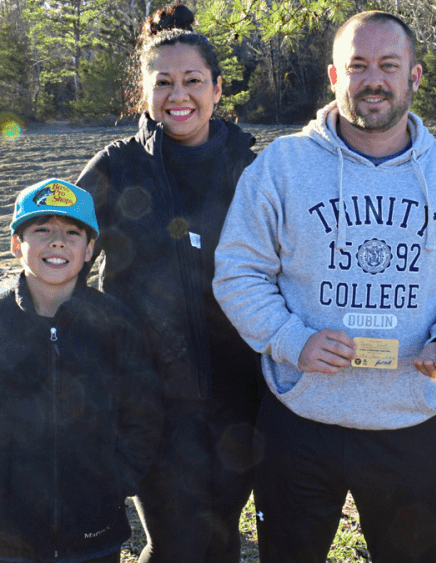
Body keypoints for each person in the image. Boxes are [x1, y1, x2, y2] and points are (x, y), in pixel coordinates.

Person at [212, 9, 436, 563]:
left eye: (388, 65)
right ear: (334, 77)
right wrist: (289, 337)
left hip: (410, 418)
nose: (373, 79)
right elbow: (238, 271)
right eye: (358, 66)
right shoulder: (281, 167)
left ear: (414, 77)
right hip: (299, 416)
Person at [74, 5, 261, 562]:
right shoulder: (115, 167)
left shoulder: (251, 169)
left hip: (238, 396)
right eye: (163, 83)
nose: (179, 96)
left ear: (217, 88)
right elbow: (60, 262)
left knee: (223, 537)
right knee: (176, 544)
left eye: (193, 81)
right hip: (149, 396)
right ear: (144, 92)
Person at [0, 179, 163, 563]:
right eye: (42, 229)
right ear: (16, 244)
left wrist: (115, 482)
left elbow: (144, 413)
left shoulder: (116, 324)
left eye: (72, 233)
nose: (57, 242)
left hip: (94, 533)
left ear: (89, 250)